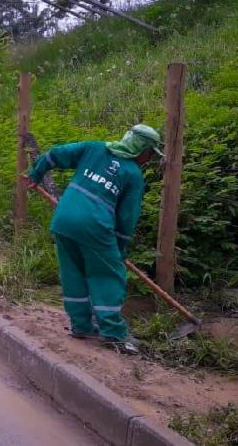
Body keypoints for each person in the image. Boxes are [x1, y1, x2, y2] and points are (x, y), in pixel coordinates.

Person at [27, 124, 163, 355]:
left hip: (64, 219)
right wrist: (119, 249)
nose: (148, 159)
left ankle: (81, 326)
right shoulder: (132, 174)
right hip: (95, 226)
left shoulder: (94, 148)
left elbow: (55, 154)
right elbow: (127, 217)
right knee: (108, 275)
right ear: (141, 148)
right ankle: (113, 332)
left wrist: (35, 174)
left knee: (73, 272)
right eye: (149, 153)